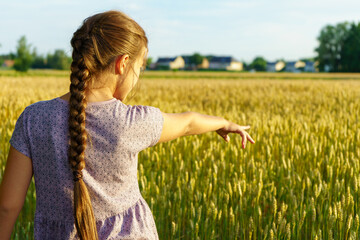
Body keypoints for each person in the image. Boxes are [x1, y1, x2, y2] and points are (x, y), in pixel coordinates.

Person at [0, 10, 255, 240]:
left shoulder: (33, 118)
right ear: (122, 64)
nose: (137, 77)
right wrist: (224, 123)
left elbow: (7, 206)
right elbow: (187, 123)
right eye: (139, 68)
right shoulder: (133, 122)